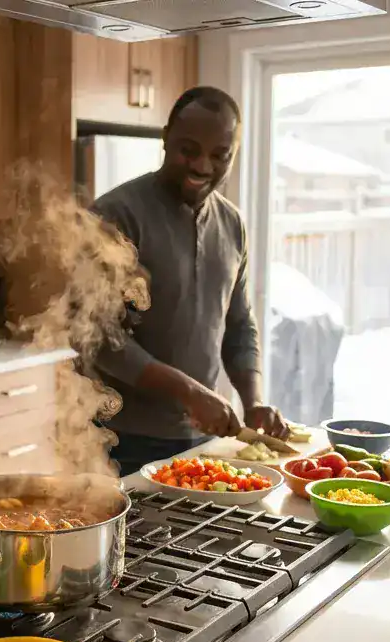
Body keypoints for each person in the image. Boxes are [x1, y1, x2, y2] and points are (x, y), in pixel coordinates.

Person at [92, 86, 288, 477]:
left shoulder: (232, 224)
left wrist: (253, 401)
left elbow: (238, 324)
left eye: (220, 155)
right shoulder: (116, 216)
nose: (202, 165)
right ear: (165, 138)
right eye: (189, 148)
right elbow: (99, 338)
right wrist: (190, 392)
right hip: (120, 437)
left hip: (205, 441)